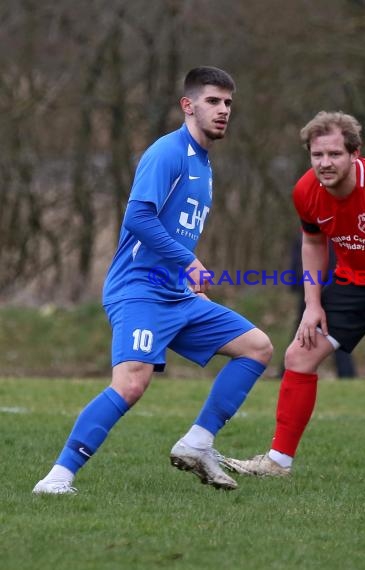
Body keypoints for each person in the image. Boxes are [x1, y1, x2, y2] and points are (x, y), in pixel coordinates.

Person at [33, 66, 273, 494]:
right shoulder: (168, 153)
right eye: (213, 101)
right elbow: (137, 217)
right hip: (139, 289)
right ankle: (57, 478)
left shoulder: (204, 163)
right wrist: (188, 261)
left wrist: (184, 272)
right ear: (188, 106)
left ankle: (198, 443)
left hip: (175, 294)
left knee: (256, 347)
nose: (223, 111)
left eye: (228, 103)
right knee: (131, 383)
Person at [221, 111, 365, 482]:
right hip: (353, 280)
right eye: (317, 155)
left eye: (334, 154)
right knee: (298, 356)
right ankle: (277, 463)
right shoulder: (305, 191)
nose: (325, 163)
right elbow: (313, 242)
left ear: (355, 154)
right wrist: (312, 305)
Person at [288, 233, 357, 379]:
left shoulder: (335, 237)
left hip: (329, 289)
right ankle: (346, 373)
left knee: (334, 332)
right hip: (310, 291)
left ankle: (346, 373)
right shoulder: (306, 236)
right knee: (304, 330)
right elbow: (297, 262)